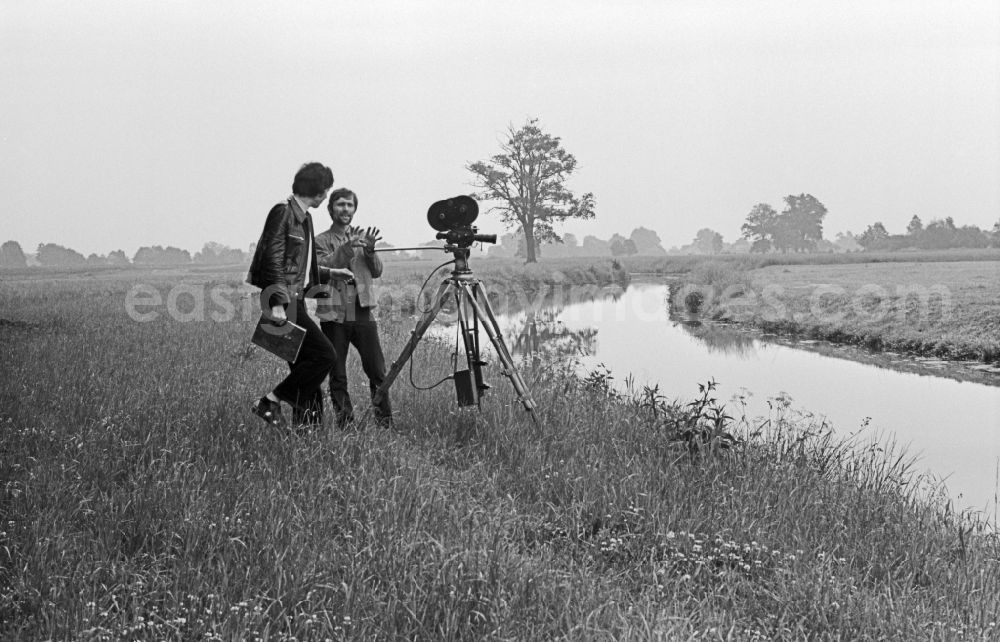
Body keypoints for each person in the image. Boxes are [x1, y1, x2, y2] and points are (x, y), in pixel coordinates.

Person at [246, 162, 353, 428]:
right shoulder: (283, 212)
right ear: (318, 191)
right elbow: (273, 257)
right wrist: (278, 302)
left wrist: (330, 274)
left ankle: (307, 433)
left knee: (306, 368)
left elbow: (303, 266)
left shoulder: (304, 217)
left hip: (296, 299)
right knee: (325, 356)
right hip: (284, 301)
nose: (327, 195)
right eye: (326, 190)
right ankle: (270, 401)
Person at [314, 187, 393, 428]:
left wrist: (369, 251)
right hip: (334, 313)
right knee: (337, 374)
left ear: (354, 209)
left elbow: (377, 271)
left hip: (362, 310)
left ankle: (385, 424)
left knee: (377, 371)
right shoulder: (321, 241)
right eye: (340, 204)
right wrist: (347, 248)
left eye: (349, 205)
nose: (345, 209)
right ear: (330, 209)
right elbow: (321, 269)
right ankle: (346, 426)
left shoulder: (362, 237)